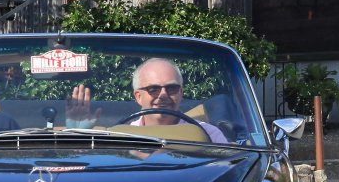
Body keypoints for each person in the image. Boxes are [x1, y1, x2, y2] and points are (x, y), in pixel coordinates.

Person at [66, 57, 228, 143]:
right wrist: (77, 135)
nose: (163, 95)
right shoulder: (119, 138)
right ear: (138, 96)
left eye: (171, 88)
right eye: (153, 89)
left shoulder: (209, 135)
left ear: (181, 93)